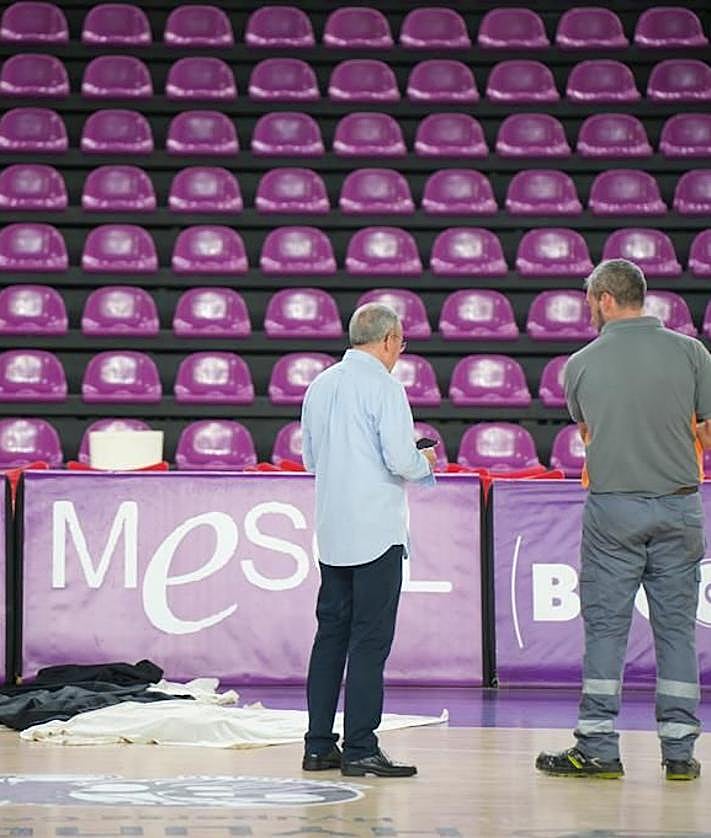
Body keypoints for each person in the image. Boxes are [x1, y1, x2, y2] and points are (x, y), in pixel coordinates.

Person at [536, 258, 711, 781]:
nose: (589, 309)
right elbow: (707, 431)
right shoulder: (692, 353)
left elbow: (588, 431)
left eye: (591, 300)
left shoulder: (581, 363)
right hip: (680, 504)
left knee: (607, 629)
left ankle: (597, 747)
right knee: (676, 632)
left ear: (606, 299)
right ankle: (679, 752)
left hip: (614, 509)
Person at [299, 302, 437, 778]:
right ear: (388, 340)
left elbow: (310, 459)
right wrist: (423, 463)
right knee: (369, 643)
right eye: (401, 342)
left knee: (329, 637)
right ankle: (360, 748)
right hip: (376, 532)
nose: (400, 351)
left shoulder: (320, 385)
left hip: (333, 530)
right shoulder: (385, 386)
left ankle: (318, 746)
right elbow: (399, 458)